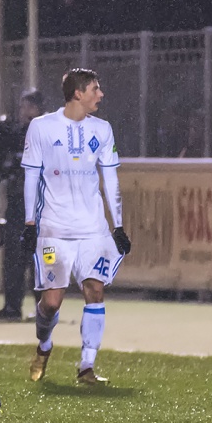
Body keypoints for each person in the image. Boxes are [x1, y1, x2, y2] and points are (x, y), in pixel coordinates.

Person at [20, 68, 132, 385]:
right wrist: (30, 223)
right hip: (53, 231)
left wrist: (118, 226)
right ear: (78, 93)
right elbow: (31, 175)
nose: (101, 94)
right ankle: (44, 345)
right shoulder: (41, 127)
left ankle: (87, 366)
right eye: (95, 89)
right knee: (51, 302)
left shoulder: (102, 129)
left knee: (95, 290)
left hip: (92, 230)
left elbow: (110, 179)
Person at [0, 89, 46, 320]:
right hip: (16, 202)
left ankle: (44, 308)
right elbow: (2, 162)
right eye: (23, 106)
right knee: (13, 255)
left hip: (40, 205)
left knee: (39, 258)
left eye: (30, 106)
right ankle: (12, 307)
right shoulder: (15, 133)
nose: (25, 111)